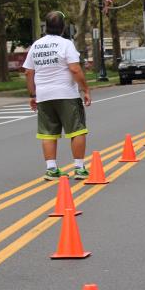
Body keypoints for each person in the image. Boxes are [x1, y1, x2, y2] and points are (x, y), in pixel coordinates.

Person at [23, 11, 92, 181]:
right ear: (63, 27)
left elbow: (28, 72)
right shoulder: (66, 44)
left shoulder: (36, 46)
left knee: (48, 133)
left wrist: (32, 95)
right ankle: (79, 168)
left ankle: (51, 169)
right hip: (66, 94)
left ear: (46, 27)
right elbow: (75, 69)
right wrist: (85, 89)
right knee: (77, 130)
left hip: (43, 95)